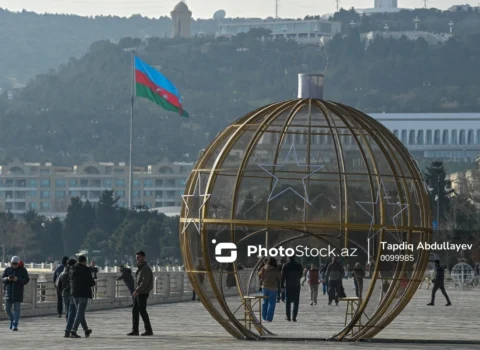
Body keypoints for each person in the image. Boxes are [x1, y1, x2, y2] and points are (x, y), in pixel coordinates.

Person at [60, 258, 91, 338]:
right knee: (75, 313)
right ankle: (71, 331)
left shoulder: (63, 272)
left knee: (72, 313)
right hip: (74, 293)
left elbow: (58, 283)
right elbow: (89, 281)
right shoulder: (74, 270)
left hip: (66, 294)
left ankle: (86, 330)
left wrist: (61, 292)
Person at [68, 255, 96, 338]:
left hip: (74, 293)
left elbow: (70, 280)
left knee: (80, 313)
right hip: (83, 293)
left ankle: (86, 330)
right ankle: (73, 331)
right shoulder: (85, 269)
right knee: (79, 313)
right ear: (84, 261)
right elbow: (91, 282)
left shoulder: (72, 268)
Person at [128, 251, 154, 336]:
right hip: (139, 292)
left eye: (139, 257)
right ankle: (135, 330)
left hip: (142, 293)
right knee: (135, 311)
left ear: (143, 257)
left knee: (142, 311)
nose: (137, 259)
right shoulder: (141, 267)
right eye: (136, 257)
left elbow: (145, 282)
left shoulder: (146, 268)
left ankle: (149, 330)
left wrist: (137, 291)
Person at [1, 256, 30, 331]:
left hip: (18, 292)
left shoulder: (23, 270)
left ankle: (15, 325)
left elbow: (26, 280)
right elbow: (2, 278)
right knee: (7, 309)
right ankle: (12, 319)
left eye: (16, 263)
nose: (14, 265)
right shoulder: (7, 269)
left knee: (17, 310)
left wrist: (18, 279)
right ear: (11, 263)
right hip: (8, 293)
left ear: (18, 263)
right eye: (13, 263)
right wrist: (7, 278)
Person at [258, 257, 281, 322]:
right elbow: (280, 277)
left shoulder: (263, 268)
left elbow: (259, 274)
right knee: (272, 303)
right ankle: (269, 318)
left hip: (264, 287)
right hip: (273, 288)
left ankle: (264, 317)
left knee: (265, 302)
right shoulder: (275, 270)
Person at [281, 256, 303, 322]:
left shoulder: (285, 265)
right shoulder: (298, 265)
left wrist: (282, 286)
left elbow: (282, 276)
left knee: (288, 301)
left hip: (288, 285)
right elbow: (301, 275)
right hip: (296, 285)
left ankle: (288, 317)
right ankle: (294, 317)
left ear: (288, 258)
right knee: (296, 301)